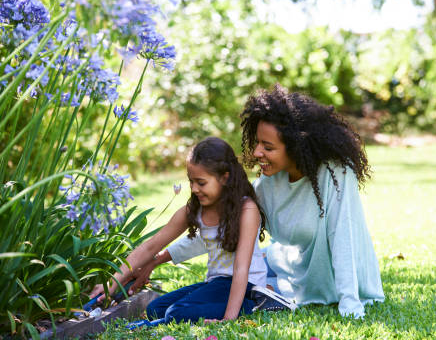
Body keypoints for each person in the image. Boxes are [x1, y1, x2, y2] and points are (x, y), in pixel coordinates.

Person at [89, 137, 293, 325]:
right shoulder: (194, 210)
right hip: (217, 283)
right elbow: (151, 246)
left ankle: (255, 304)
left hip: (246, 284)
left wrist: (229, 318)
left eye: (201, 183)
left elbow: (241, 267)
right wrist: (113, 282)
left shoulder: (247, 209)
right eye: (191, 181)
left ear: (224, 178)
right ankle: (228, 306)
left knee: (175, 314)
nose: (194, 189)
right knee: (155, 309)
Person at [239, 84, 385, 318]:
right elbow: (231, 226)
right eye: (257, 143)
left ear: (296, 147)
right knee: (229, 279)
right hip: (287, 273)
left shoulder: (335, 174)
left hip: (324, 287)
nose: (257, 152)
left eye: (268, 147)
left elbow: (343, 238)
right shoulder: (267, 185)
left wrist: (350, 304)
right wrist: (164, 252)